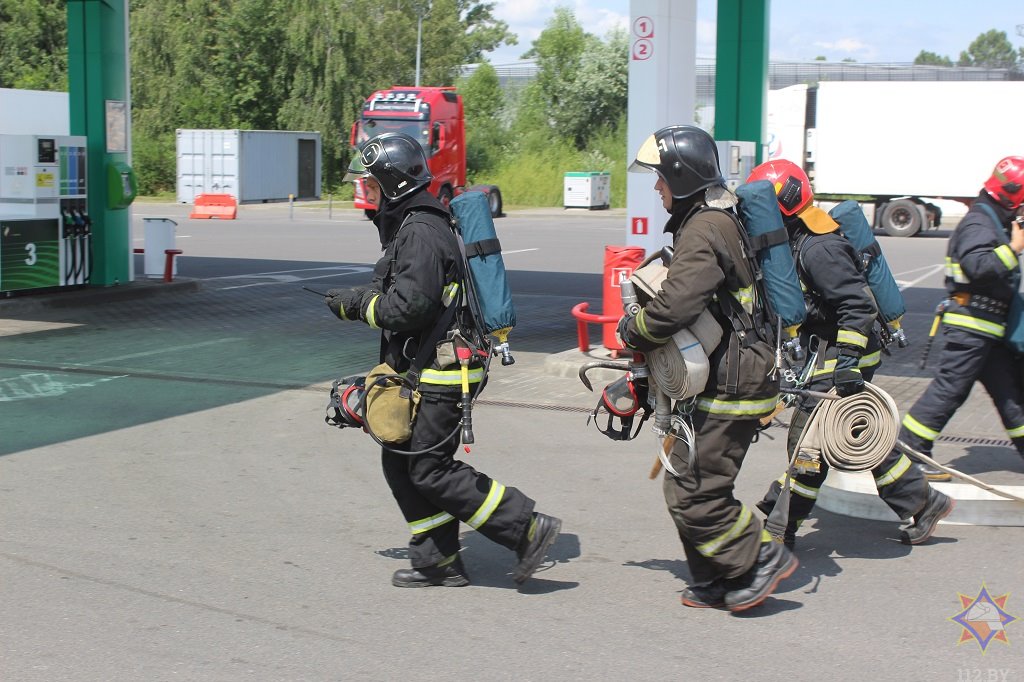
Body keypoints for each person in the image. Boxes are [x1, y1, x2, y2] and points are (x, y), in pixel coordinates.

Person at [327, 132, 560, 587]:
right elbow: (406, 291)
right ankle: (437, 559)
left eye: (370, 184)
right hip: (428, 365)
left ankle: (527, 528)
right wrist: (359, 296)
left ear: (393, 184)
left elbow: (409, 307)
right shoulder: (414, 226)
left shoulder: (421, 231)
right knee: (401, 460)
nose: (365, 193)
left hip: (443, 372)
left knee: (430, 469)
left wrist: (357, 305)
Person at [618, 125, 797, 612]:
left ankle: (759, 557)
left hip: (733, 381)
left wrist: (633, 331)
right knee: (687, 482)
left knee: (694, 490)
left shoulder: (703, 228)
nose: (656, 187)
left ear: (681, 177)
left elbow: (675, 306)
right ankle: (715, 578)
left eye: (660, 177)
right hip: (730, 373)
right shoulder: (714, 218)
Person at [747, 159, 953, 548]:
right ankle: (925, 503)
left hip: (845, 355)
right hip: (826, 352)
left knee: (808, 442)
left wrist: (846, 364)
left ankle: (779, 526)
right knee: (855, 433)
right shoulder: (795, 241)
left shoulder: (820, 247)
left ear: (784, 204)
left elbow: (858, 306)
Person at [898, 156, 1024, 480]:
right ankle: (909, 451)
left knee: (1011, 393)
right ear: (1012, 194)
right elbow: (977, 266)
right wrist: (1013, 248)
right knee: (950, 389)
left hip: (987, 331)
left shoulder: (993, 218)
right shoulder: (979, 222)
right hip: (971, 327)